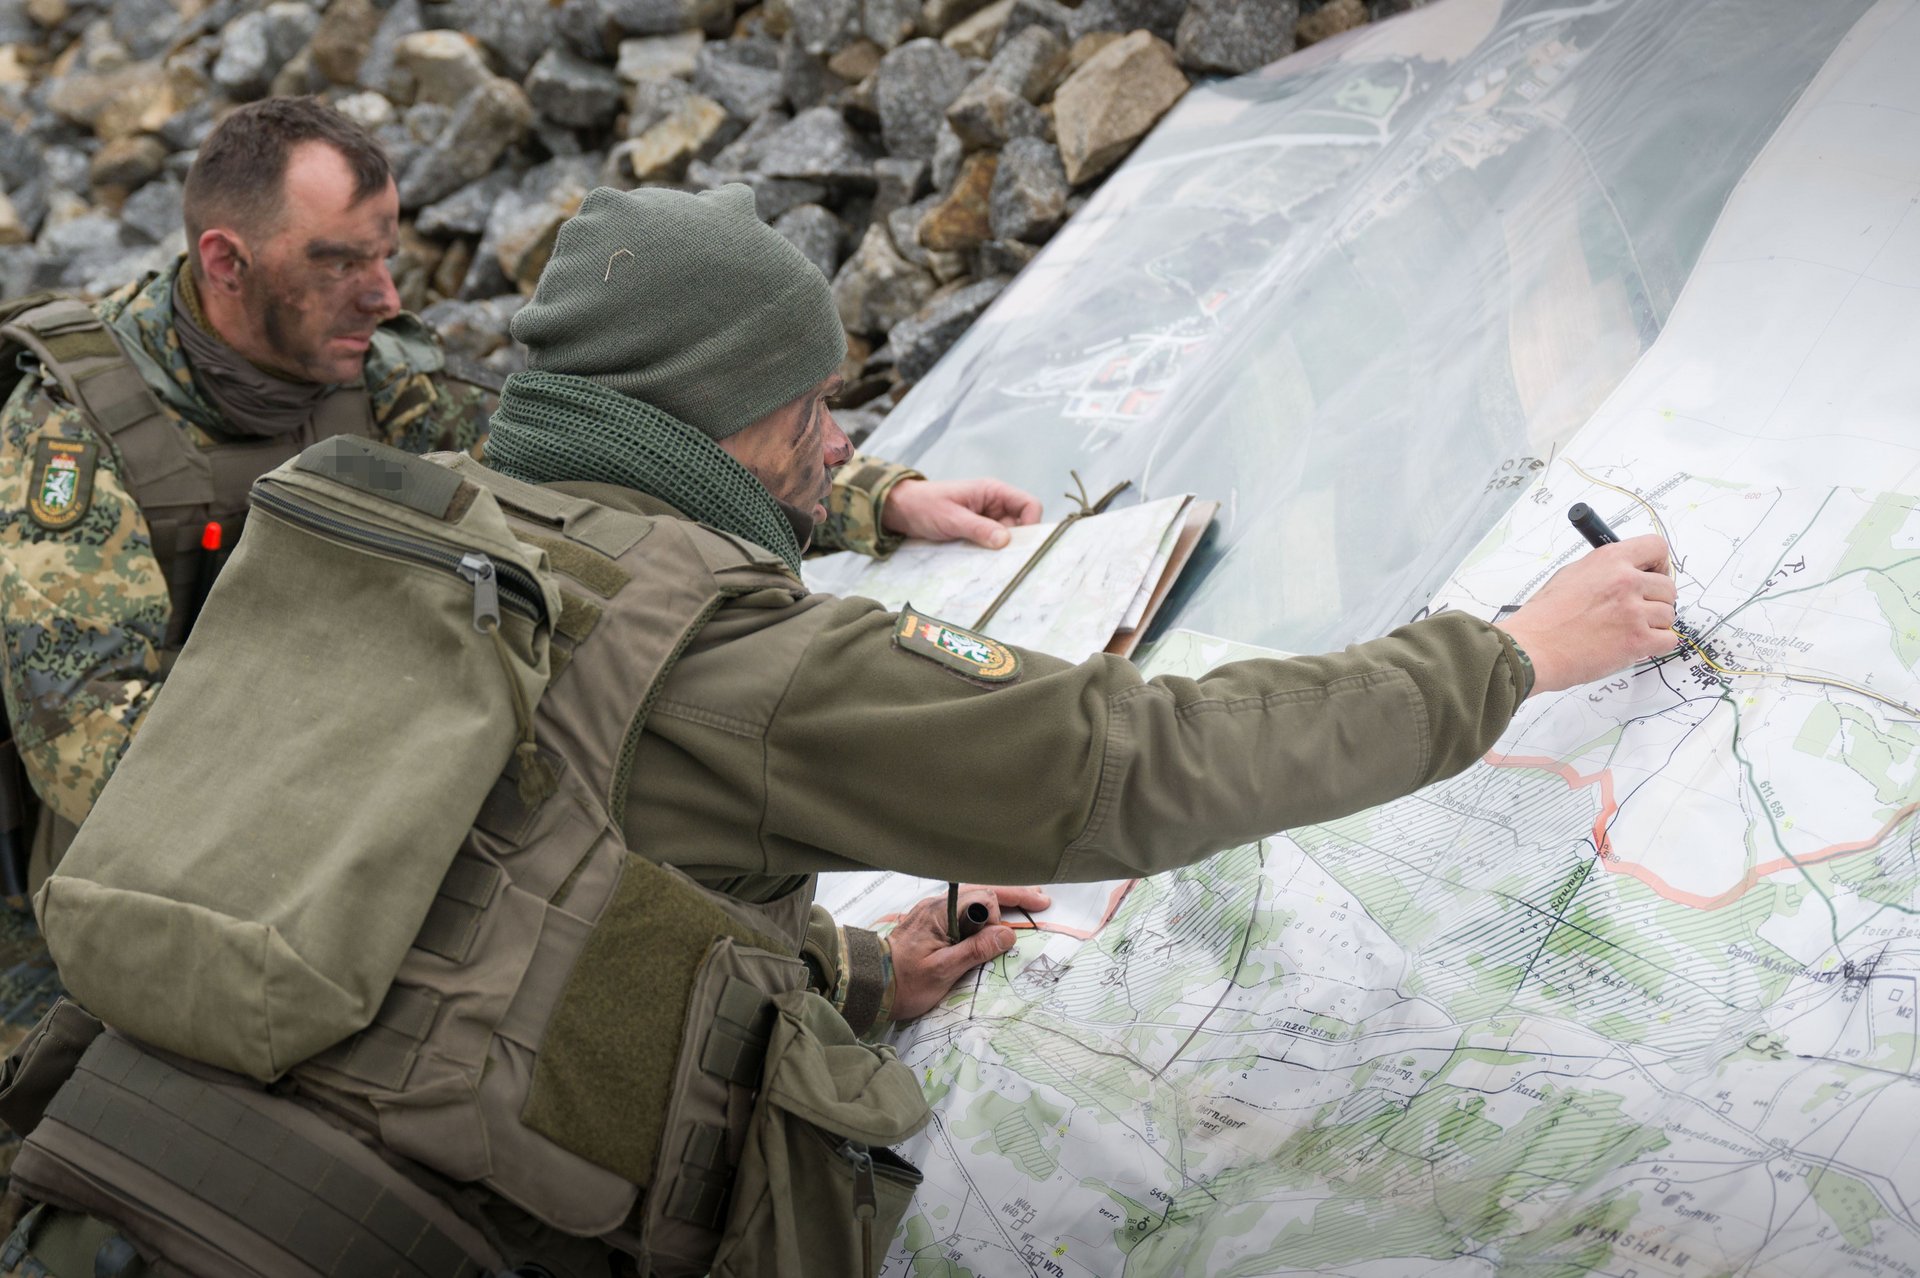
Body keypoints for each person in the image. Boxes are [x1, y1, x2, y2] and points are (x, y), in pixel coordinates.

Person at [2, 184, 1677, 1277]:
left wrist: (861, 975)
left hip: (98, 1180)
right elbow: (1133, 766)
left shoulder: (440, 519)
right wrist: (1510, 651)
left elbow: (471, 873)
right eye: (811, 409)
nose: (837, 442)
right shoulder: (736, 652)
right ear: (713, 420)